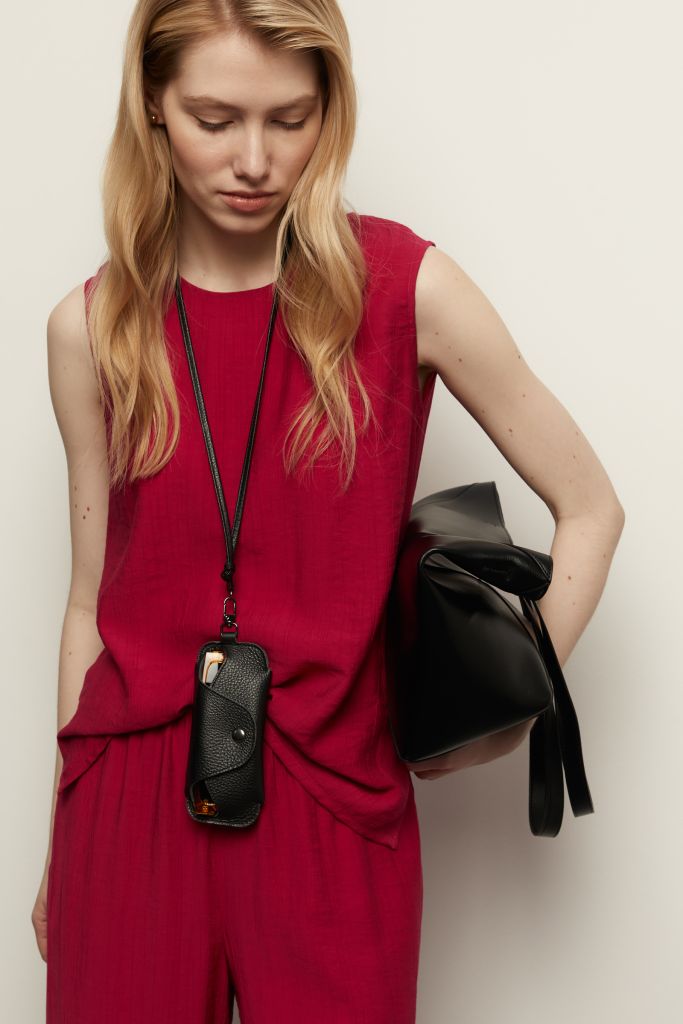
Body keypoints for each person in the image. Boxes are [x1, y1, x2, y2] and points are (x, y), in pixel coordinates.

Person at [32, 1, 625, 1021]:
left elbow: (589, 507)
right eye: (214, 119)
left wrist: (505, 708)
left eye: (290, 119)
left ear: (329, 110)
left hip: (333, 800)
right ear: (153, 106)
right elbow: (91, 604)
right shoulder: (92, 328)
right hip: (128, 812)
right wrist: (64, 831)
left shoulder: (405, 288)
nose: (254, 160)